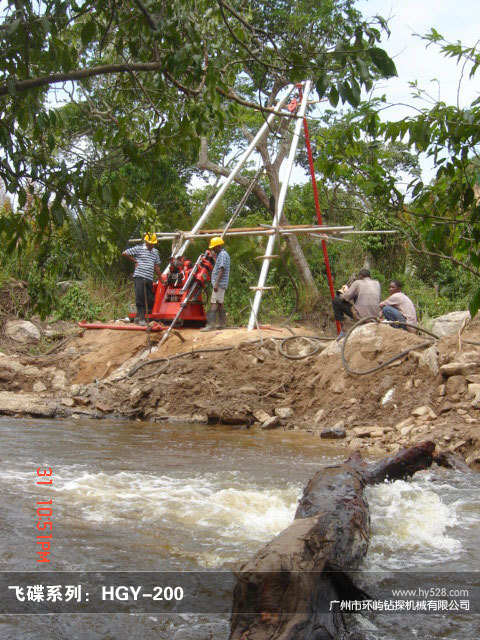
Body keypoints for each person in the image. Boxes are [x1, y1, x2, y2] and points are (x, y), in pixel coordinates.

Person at [122, 233, 162, 326]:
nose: (151, 245)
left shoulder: (155, 252)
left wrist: (160, 279)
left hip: (149, 278)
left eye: (153, 244)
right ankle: (141, 318)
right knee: (140, 297)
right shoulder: (139, 248)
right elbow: (125, 253)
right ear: (146, 242)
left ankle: (138, 316)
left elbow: (157, 266)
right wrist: (134, 261)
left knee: (150, 298)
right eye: (150, 244)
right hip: (139, 276)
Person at [332, 268, 381, 339]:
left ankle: (343, 330)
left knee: (336, 300)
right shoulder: (377, 283)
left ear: (360, 276)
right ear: (370, 276)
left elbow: (344, 298)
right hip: (374, 317)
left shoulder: (357, 283)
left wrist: (343, 291)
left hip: (362, 317)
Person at [201, 236, 230, 331]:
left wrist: (216, 283)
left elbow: (222, 268)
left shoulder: (222, 255)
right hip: (222, 283)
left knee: (214, 303)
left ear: (218, 246)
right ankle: (222, 324)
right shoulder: (222, 254)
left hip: (220, 284)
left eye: (214, 247)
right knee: (220, 303)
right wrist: (213, 258)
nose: (213, 249)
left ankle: (210, 325)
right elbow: (219, 266)